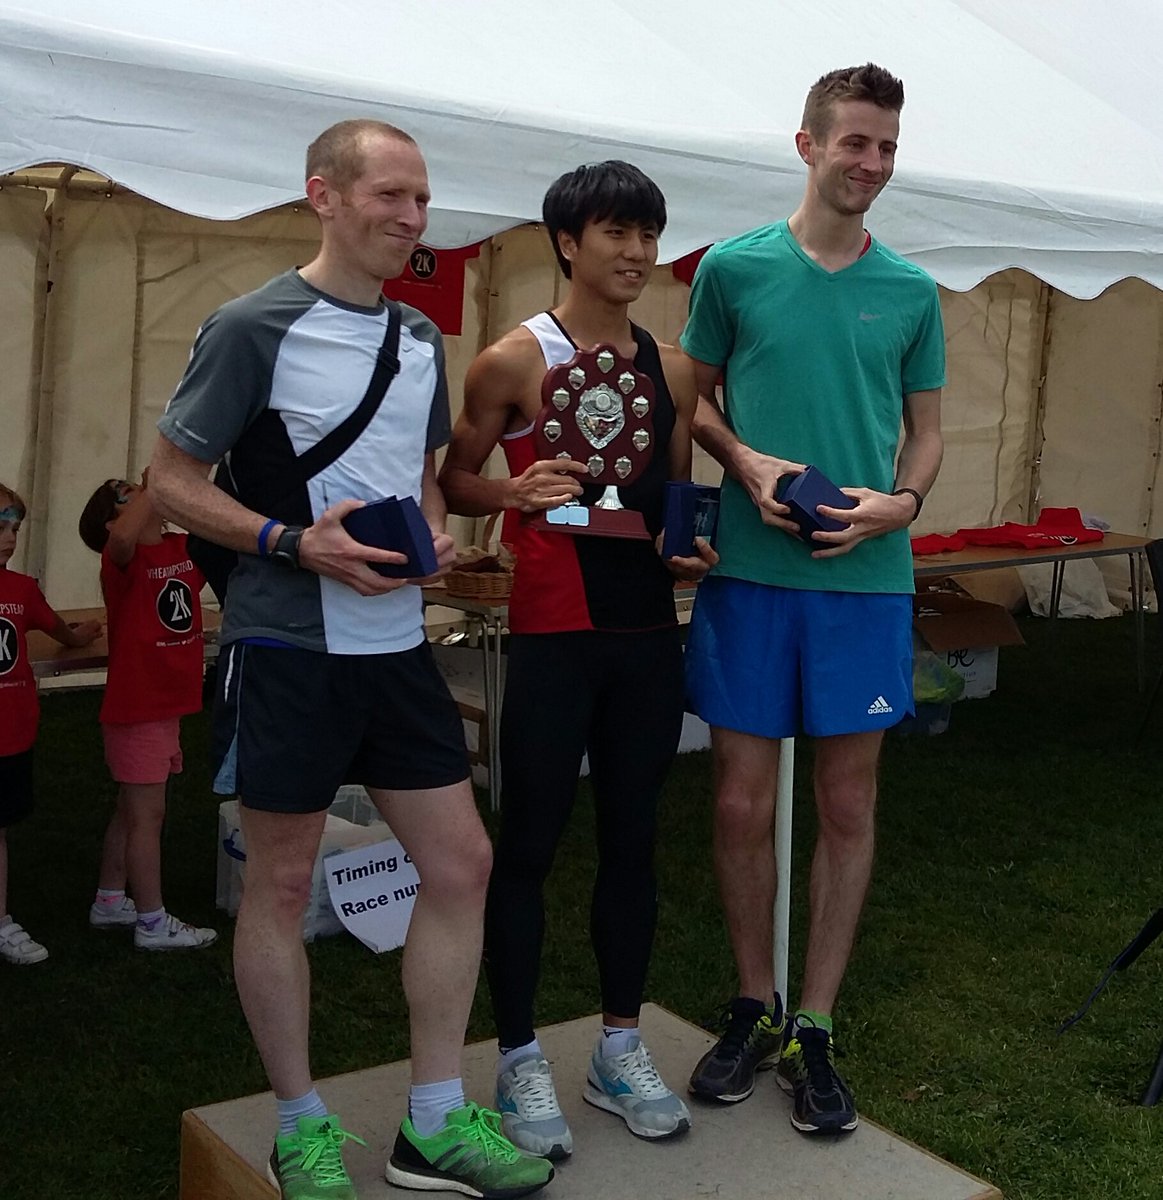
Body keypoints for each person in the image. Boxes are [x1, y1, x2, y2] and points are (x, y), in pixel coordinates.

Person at [147, 120, 553, 1200]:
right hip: (288, 644)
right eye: (390, 196)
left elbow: (419, 479)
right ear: (321, 194)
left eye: (422, 201)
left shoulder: (420, 340)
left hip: (394, 649)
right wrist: (292, 543)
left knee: (461, 865)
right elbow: (169, 482)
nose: (412, 219)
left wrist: (428, 544)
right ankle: (299, 1125)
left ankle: (430, 1123)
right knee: (280, 883)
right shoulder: (250, 326)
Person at [680, 63, 946, 1135]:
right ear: (805, 145)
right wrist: (742, 464)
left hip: (863, 583)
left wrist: (900, 504)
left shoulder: (912, 291)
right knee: (740, 804)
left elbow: (924, 429)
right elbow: (691, 399)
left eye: (885, 147)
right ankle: (753, 1001)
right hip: (751, 574)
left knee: (845, 808)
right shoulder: (733, 271)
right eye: (853, 144)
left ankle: (816, 1025)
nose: (870, 165)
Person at [440, 160, 717, 1160]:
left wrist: (687, 543)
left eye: (648, 234)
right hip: (553, 635)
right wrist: (512, 498)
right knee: (529, 846)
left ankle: (616, 1044)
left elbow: (668, 502)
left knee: (634, 845)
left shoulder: (673, 367)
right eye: (616, 233)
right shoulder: (510, 360)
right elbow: (458, 480)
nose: (637, 253)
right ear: (567, 240)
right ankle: (516, 1056)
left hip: (646, 636)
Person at [78, 474, 217, 950]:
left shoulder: (182, 546)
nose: (138, 494)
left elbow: (214, 528)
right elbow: (121, 537)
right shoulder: (122, 557)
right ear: (113, 518)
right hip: (139, 707)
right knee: (148, 817)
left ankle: (111, 899)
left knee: (132, 809)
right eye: (126, 496)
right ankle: (153, 922)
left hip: (166, 705)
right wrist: (156, 486)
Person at [0, 483, 101, 965]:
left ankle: (0, 921)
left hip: (11, 734)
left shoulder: (21, 590)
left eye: (15, 527)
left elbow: (59, 629)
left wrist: (79, 636)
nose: (9, 536)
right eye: (0, 524)